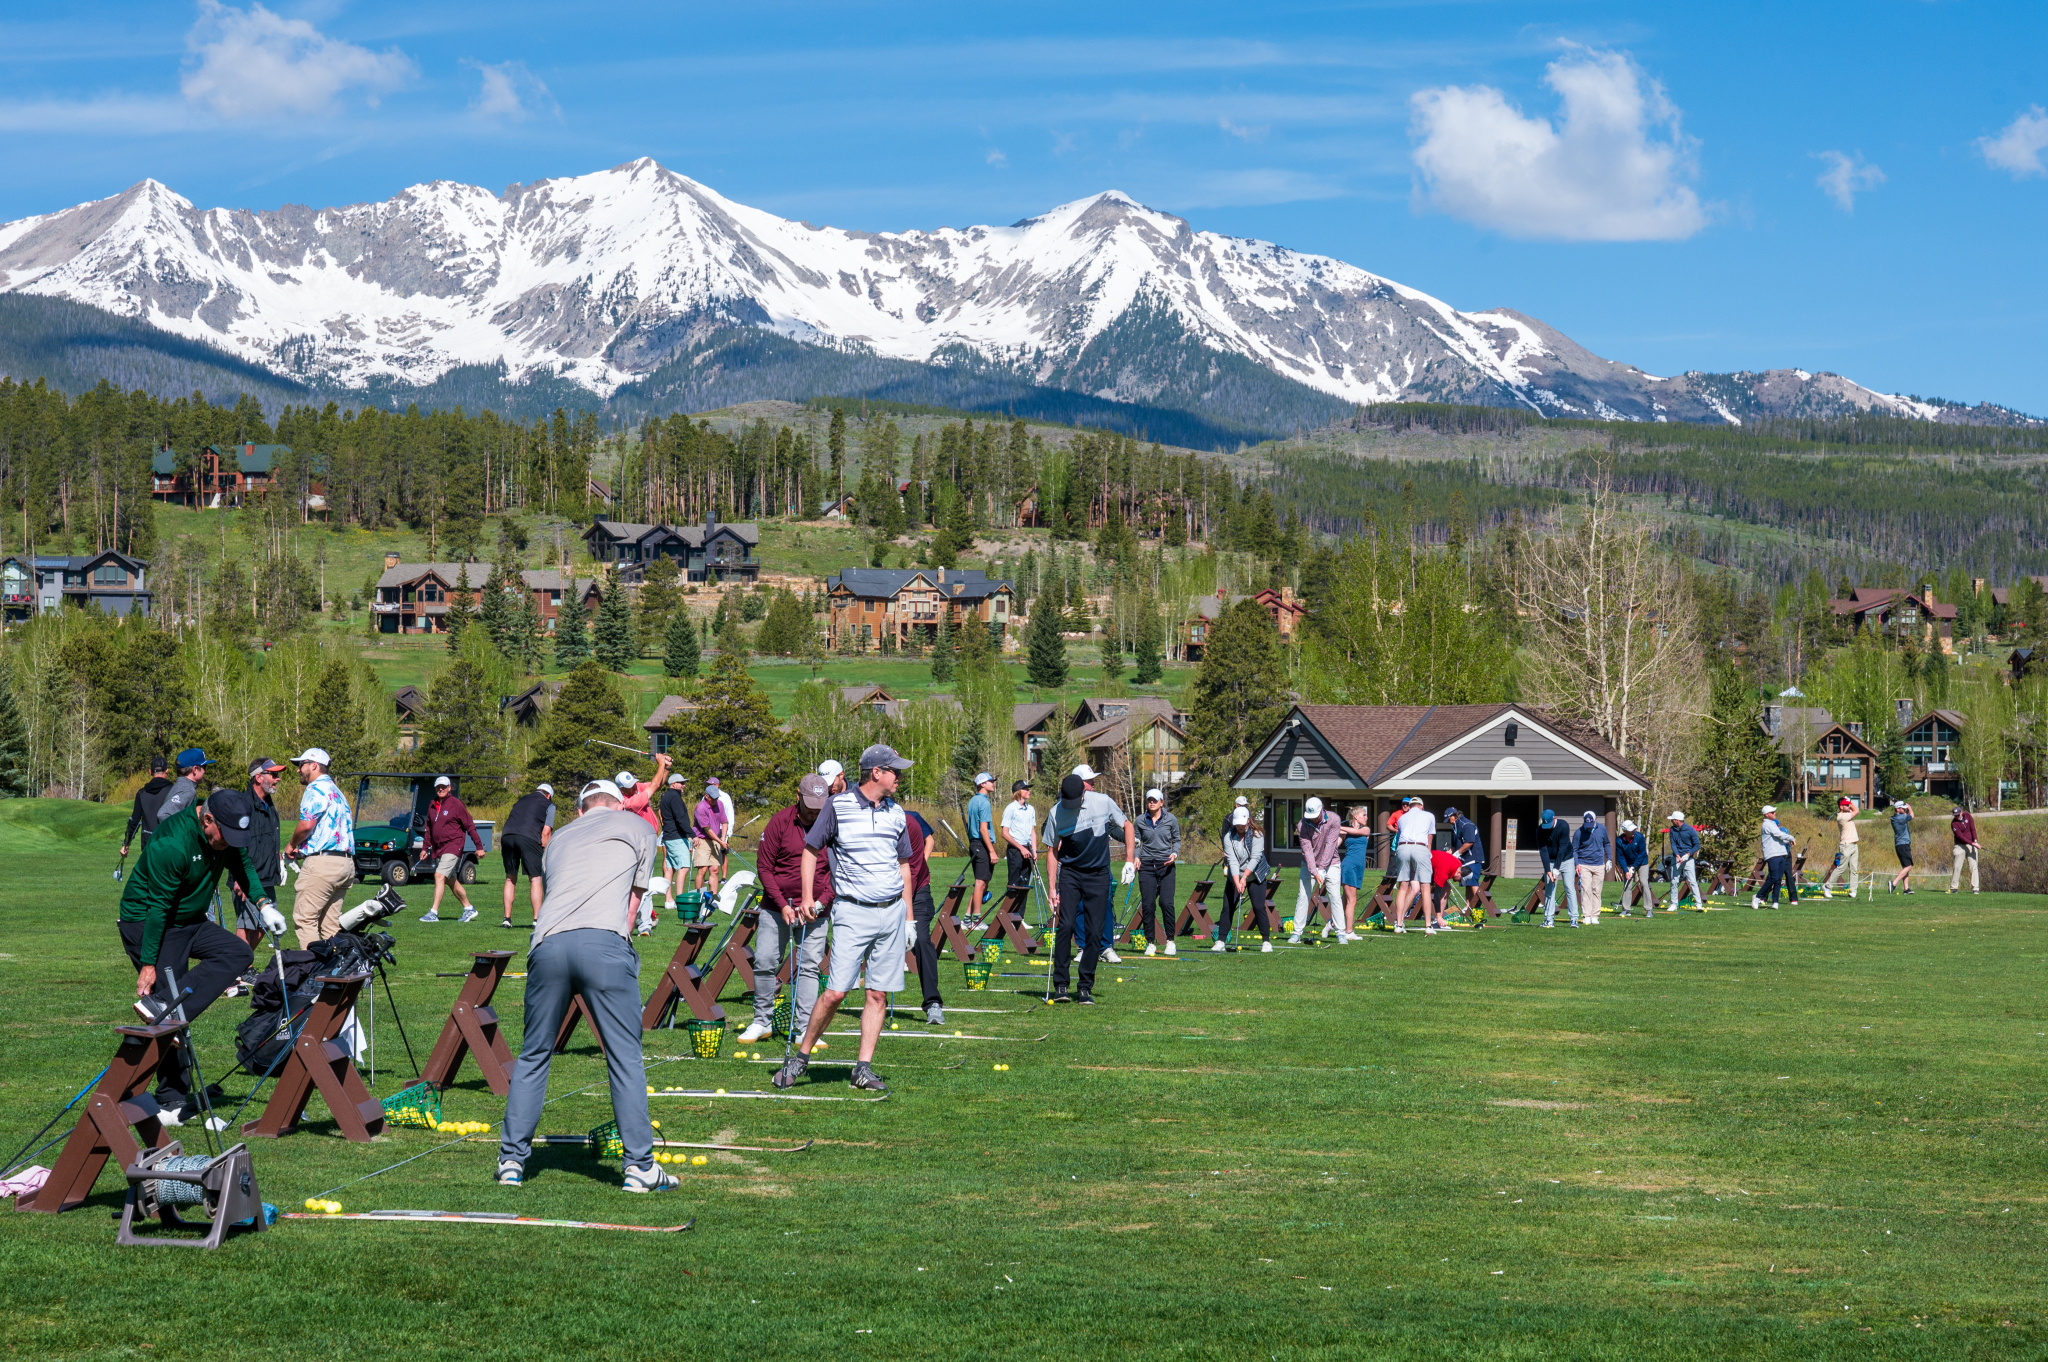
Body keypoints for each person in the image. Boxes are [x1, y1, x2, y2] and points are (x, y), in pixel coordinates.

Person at [497, 779, 673, 1193]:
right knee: (625, 1058)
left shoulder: (558, 838)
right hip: (604, 943)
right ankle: (640, 1167)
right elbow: (631, 908)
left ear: (580, 810)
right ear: (619, 805)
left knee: (534, 1054)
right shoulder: (639, 827)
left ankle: (511, 1162)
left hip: (547, 944)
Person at [117, 790, 278, 1123]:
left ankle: (165, 1008)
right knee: (170, 1013)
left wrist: (264, 905)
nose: (228, 843)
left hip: (188, 920)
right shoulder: (172, 845)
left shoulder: (225, 834)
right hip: (149, 922)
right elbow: (158, 908)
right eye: (224, 836)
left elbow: (242, 864)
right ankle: (169, 1100)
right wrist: (148, 964)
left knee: (237, 952)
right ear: (207, 820)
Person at [775, 743, 918, 1093]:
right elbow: (811, 851)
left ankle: (862, 1069)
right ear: (876, 773)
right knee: (836, 993)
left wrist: (909, 918)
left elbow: (904, 866)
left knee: (878, 994)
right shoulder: (837, 806)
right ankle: (801, 1057)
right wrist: (807, 896)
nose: (899, 777)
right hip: (853, 911)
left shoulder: (897, 813)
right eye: (895, 771)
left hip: (892, 913)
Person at [738, 773, 835, 1045]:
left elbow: (837, 872)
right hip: (776, 906)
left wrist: (819, 903)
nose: (815, 812)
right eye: (810, 806)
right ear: (798, 796)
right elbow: (764, 868)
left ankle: (805, 1029)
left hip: (816, 910)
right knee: (764, 961)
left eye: (820, 807)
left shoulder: (832, 825)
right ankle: (762, 1022)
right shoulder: (779, 822)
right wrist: (782, 904)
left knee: (809, 967)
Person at [1043, 770, 1137, 986]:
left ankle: (1085, 985)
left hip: (1098, 873)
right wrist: (1052, 888)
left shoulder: (1103, 802)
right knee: (1066, 926)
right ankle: (1061, 984)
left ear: (1084, 793)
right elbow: (1052, 851)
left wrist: (1129, 861)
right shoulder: (1056, 812)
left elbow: (1127, 825)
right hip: (1071, 873)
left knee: (1095, 931)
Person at [286, 747, 354, 947]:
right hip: (345, 864)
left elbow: (307, 825)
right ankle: (335, 967)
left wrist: (291, 845)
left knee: (305, 919)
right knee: (330, 927)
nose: (298, 769)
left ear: (314, 765)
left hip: (323, 864)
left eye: (301, 764)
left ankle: (312, 966)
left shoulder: (315, 788)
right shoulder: (336, 791)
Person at [1068, 764, 1129, 963]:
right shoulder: (1065, 804)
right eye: (1089, 781)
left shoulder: (1102, 801)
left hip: (1100, 866)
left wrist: (1129, 840)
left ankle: (1106, 947)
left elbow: (1114, 827)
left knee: (1105, 905)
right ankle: (1083, 947)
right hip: (1076, 866)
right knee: (1079, 907)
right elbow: (1048, 828)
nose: (1093, 783)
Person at [232, 757, 288, 965]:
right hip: (247, 876)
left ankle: (240, 966)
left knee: (264, 924)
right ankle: (238, 969)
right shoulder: (243, 804)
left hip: (267, 876)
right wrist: (239, 877)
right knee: (246, 925)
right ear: (258, 777)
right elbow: (236, 843)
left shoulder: (269, 804)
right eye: (273, 774)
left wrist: (277, 857)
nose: (278, 779)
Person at [903, 806, 947, 1025]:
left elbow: (929, 840)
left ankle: (933, 1003)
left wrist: (923, 861)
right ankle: (875, 1003)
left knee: (920, 939)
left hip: (918, 888)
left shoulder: (911, 820)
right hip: (885, 891)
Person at [418, 776, 480, 924]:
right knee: (451, 880)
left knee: (439, 875)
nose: (441, 789)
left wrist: (479, 846)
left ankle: (433, 913)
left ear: (449, 788)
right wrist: (425, 848)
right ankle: (469, 908)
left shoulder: (456, 804)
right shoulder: (432, 805)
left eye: (444, 787)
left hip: (453, 846)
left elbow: (469, 825)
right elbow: (429, 829)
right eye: (438, 787)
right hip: (439, 848)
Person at [500, 781, 557, 928]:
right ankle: (537, 920)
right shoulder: (549, 805)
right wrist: (547, 851)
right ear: (549, 796)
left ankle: (507, 919)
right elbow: (546, 832)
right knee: (535, 879)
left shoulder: (522, 800)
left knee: (510, 878)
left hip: (507, 836)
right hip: (529, 837)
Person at [1219, 805, 1275, 951]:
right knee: (1227, 906)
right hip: (1236, 875)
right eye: (1237, 824)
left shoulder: (1257, 835)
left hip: (1255, 875)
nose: (1240, 826)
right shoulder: (1228, 837)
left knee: (1258, 906)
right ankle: (1221, 941)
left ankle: (1266, 942)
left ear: (1248, 821)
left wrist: (1244, 877)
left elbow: (1255, 858)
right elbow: (1232, 861)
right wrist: (1237, 881)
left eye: (1242, 824)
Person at [1132, 788, 1180, 956]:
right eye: (1149, 800)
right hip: (1146, 866)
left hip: (1166, 865)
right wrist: (1136, 857)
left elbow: (1177, 840)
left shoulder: (1171, 819)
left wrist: (1174, 854)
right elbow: (1136, 841)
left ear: (1161, 802)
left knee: (1166, 903)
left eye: (1155, 800)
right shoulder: (1140, 820)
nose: (1151, 802)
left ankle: (1170, 941)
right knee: (1148, 905)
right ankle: (1150, 942)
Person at [1290, 797, 1344, 945]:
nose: (1312, 819)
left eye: (1315, 816)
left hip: (1332, 863)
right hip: (1309, 864)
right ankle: (1296, 933)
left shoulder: (1334, 819)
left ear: (1322, 810)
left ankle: (1341, 933)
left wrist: (1322, 869)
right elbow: (1307, 850)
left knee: (1335, 896)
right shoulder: (1302, 824)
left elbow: (1330, 846)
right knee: (1303, 896)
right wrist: (1315, 871)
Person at [1389, 795, 1436, 933]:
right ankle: (1428, 926)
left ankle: (1398, 924)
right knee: (1425, 887)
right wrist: (1428, 852)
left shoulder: (1402, 818)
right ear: (1422, 806)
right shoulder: (1429, 815)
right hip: (1420, 847)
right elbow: (1429, 838)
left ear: (1410, 806)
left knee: (1403, 886)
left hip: (1402, 848)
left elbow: (1400, 834)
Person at [119, 754, 174, 866]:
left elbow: (134, 821)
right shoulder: (173, 791)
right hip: (169, 843)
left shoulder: (142, 793)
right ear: (167, 771)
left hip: (148, 844)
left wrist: (126, 844)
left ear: (150, 772)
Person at [655, 773, 692, 918]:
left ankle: (668, 900)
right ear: (673, 784)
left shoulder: (666, 796)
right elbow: (680, 818)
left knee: (670, 868)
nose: (684, 785)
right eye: (681, 783)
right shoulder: (675, 797)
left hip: (669, 836)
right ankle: (680, 900)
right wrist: (692, 834)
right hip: (676, 836)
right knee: (684, 867)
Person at [1338, 804, 1375, 933]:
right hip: (1349, 866)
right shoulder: (1344, 832)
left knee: (1346, 900)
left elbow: (1356, 832)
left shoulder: (1366, 830)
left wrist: (1336, 826)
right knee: (1351, 900)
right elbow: (1335, 845)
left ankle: (1332, 924)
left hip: (1359, 868)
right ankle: (1348, 931)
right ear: (1355, 816)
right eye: (1364, 815)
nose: (1366, 817)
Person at [999, 779, 1038, 898]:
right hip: (1015, 850)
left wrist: (1034, 850)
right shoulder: (1011, 809)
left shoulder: (1031, 809)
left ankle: (1021, 911)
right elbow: (1005, 833)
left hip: (1028, 849)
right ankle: (1010, 910)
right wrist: (1021, 848)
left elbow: (1032, 831)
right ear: (1018, 792)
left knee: (1024, 886)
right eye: (1026, 789)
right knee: (1014, 885)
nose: (1029, 791)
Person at [966, 771, 998, 914]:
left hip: (974, 844)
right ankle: (977, 918)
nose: (993, 784)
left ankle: (968, 917)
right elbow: (983, 829)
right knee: (980, 883)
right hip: (982, 845)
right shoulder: (984, 802)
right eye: (991, 781)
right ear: (982, 784)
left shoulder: (973, 800)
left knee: (981, 883)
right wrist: (992, 851)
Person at [1572, 812, 1610, 924]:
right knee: (1586, 889)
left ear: (1595, 819)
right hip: (1584, 864)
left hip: (1599, 864)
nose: (1588, 827)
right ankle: (1586, 915)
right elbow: (1574, 850)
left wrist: (1609, 859)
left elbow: (1607, 844)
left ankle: (1595, 915)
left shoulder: (1602, 829)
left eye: (1591, 824)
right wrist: (1576, 864)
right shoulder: (1578, 832)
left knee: (1596, 890)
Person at [692, 780, 728, 895]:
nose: (715, 800)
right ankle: (699, 896)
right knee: (702, 870)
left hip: (716, 840)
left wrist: (723, 838)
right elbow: (707, 830)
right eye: (713, 798)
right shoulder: (700, 808)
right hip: (702, 840)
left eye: (717, 797)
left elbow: (724, 822)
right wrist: (720, 842)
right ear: (706, 796)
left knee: (715, 870)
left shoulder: (720, 804)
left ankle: (713, 897)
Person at [1754, 805, 1794, 909]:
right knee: (1773, 877)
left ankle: (1775, 901)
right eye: (1772, 812)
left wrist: (1788, 840)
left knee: (1778, 879)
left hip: (1781, 853)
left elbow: (1779, 837)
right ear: (1766, 815)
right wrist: (1791, 837)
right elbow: (1778, 834)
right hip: (1772, 854)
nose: (1774, 813)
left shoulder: (1772, 824)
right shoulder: (1767, 824)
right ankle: (1758, 896)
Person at [1822, 796, 1861, 899]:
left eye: (1848, 805)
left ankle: (1853, 890)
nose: (1849, 806)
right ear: (1841, 806)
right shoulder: (1842, 817)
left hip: (1854, 845)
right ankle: (1827, 886)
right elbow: (1856, 810)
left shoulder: (1847, 814)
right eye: (1846, 805)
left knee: (1854, 869)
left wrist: (1848, 802)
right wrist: (1850, 801)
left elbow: (1855, 809)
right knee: (1841, 868)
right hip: (1846, 845)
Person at [1666, 811, 1704, 910]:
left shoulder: (1691, 830)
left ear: (1677, 820)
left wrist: (1688, 854)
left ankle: (1698, 904)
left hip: (1688, 859)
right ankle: (1673, 904)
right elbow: (1673, 844)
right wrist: (1677, 855)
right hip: (1677, 858)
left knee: (1692, 881)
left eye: (1672, 820)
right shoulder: (1672, 830)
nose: (1671, 821)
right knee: (1674, 881)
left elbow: (1697, 845)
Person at [1615, 819, 1653, 916]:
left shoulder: (1639, 837)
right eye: (1630, 830)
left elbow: (1642, 853)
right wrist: (1626, 870)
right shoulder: (1619, 841)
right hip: (1628, 863)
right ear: (1624, 831)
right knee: (1627, 884)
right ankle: (1626, 909)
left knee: (1644, 883)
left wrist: (1634, 867)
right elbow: (1620, 857)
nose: (1633, 831)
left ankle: (1649, 909)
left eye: (1633, 829)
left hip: (1642, 862)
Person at [1427, 843, 1462, 932]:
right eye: (1460, 880)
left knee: (1447, 887)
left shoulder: (1458, 863)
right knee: (1416, 890)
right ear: (1459, 873)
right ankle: (1399, 920)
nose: (1459, 882)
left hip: (1433, 868)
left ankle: (1437, 920)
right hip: (1421, 866)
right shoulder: (1444, 870)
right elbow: (1437, 895)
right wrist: (1439, 915)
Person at [1948, 804, 1980, 894]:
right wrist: (1973, 843)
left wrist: (1975, 841)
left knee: (1973, 866)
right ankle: (1954, 887)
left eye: (1958, 815)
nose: (1957, 817)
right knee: (1957, 867)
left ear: (1961, 812)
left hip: (1972, 844)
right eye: (1955, 816)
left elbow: (1972, 829)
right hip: (1960, 846)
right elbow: (1960, 837)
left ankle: (1975, 888)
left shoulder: (1968, 816)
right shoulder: (1953, 824)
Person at [1888, 800, 1915, 894]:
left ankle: (1906, 889)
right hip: (1903, 844)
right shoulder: (1901, 818)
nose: (1904, 810)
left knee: (1905, 866)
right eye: (1903, 808)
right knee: (1908, 867)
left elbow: (1906, 815)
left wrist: (1905, 808)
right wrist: (1909, 807)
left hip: (1900, 845)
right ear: (1897, 809)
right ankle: (1893, 883)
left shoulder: (1895, 817)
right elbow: (1911, 816)